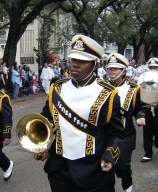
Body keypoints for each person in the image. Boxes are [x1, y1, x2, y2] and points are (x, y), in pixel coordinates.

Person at [38, 34, 124, 192]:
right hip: (59, 169)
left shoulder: (108, 93)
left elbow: (117, 133)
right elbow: (47, 119)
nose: (75, 65)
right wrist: (42, 145)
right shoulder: (56, 88)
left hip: (94, 170)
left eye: (82, 61)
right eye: (73, 60)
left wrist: (110, 155)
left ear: (95, 64)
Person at [106, 53, 142, 192]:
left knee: (122, 167)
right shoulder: (101, 88)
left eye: (115, 68)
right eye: (110, 68)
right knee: (105, 168)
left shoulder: (133, 89)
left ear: (123, 70)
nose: (111, 71)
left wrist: (140, 116)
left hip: (125, 135)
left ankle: (128, 188)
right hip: (106, 135)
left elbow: (140, 107)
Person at [136, 57, 158, 162]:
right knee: (147, 131)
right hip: (147, 107)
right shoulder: (142, 77)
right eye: (151, 67)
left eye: (155, 67)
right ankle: (148, 153)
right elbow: (138, 92)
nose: (153, 69)